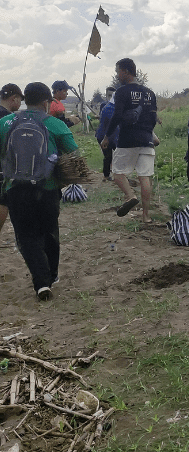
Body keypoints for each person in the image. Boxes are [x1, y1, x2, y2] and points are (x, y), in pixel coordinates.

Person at [0, 82, 78, 300]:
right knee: (49, 231)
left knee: (26, 235)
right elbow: (74, 154)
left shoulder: (5, 123)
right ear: (47, 102)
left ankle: (41, 282)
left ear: (25, 100)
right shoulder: (55, 124)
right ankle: (51, 276)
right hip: (48, 187)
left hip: (15, 188)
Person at [100, 58, 158, 223]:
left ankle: (130, 196)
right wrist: (150, 133)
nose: (117, 75)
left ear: (125, 71)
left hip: (128, 139)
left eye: (118, 71)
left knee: (117, 173)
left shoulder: (122, 92)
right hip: (147, 139)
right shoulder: (150, 93)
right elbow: (153, 117)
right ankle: (146, 216)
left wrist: (107, 137)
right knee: (144, 177)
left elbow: (117, 115)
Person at [0, 84, 23, 234]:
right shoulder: (6, 118)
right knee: (2, 203)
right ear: (14, 98)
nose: (21, 104)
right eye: (20, 100)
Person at [94, 92, 119, 181]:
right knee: (109, 156)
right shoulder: (110, 109)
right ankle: (107, 175)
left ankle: (116, 175)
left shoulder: (112, 107)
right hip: (105, 136)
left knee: (115, 156)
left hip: (111, 136)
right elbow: (113, 125)